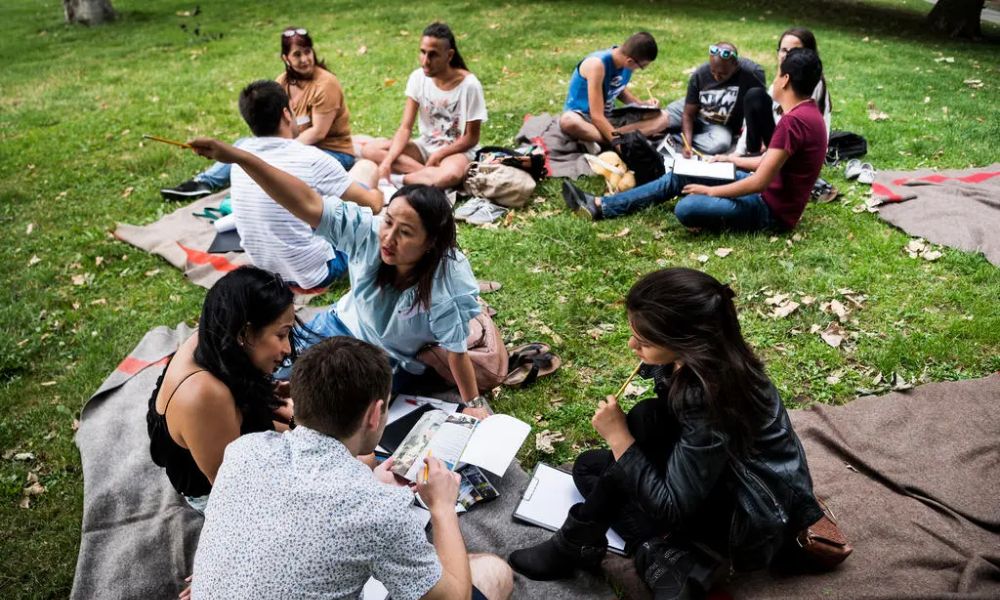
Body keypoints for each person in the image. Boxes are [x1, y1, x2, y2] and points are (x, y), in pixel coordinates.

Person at [508, 268, 827, 599]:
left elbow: (672, 507)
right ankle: (651, 552)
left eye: (644, 341)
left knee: (633, 435)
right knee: (594, 464)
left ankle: (593, 546)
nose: (632, 344)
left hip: (748, 519)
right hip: (721, 475)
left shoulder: (710, 394)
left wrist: (619, 437)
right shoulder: (705, 354)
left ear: (685, 341)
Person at [191, 336, 514, 599]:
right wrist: (441, 507)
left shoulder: (244, 451)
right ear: (375, 414)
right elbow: (453, 598)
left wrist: (369, 482)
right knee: (492, 572)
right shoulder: (379, 512)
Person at [185, 136, 493, 410]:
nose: (388, 238)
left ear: (430, 243)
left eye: (406, 233)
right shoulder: (367, 232)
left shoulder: (445, 283)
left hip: (385, 361)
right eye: (388, 222)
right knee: (257, 375)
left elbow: (456, 352)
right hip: (338, 325)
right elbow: (306, 202)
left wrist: (473, 403)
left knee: (330, 414)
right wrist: (241, 157)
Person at [563, 48, 828, 232]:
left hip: (771, 211)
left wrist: (710, 191)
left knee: (688, 207)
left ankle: (604, 205)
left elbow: (760, 181)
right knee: (682, 174)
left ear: (785, 79)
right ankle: (601, 206)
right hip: (765, 193)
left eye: (779, 74)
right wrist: (729, 159)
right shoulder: (809, 113)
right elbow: (774, 161)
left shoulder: (793, 122)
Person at [146, 266, 297, 513]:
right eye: (281, 335)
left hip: (223, 440)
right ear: (245, 333)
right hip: (217, 491)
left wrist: (290, 416)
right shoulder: (206, 395)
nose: (288, 348)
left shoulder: (214, 338)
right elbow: (234, 492)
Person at [161, 27, 358, 200]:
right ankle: (204, 183)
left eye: (308, 52)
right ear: (285, 58)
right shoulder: (282, 82)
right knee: (243, 146)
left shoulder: (326, 84)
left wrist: (277, 151)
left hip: (332, 153)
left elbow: (318, 133)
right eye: (297, 54)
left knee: (258, 157)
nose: (305, 59)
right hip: (294, 145)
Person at [227, 79, 383, 290]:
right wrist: (378, 193)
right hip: (316, 272)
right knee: (367, 168)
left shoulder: (242, 160)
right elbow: (371, 206)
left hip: (265, 270)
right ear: (286, 114)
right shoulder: (311, 159)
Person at [361, 22, 488, 189]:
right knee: (370, 149)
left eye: (433, 55)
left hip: (455, 152)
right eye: (423, 52)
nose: (425, 61)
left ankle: (402, 180)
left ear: (449, 55)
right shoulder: (417, 78)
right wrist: (387, 162)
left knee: (450, 175)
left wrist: (440, 154)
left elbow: (472, 138)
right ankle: (426, 175)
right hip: (425, 146)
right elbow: (405, 128)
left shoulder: (469, 85)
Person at [559, 32, 669, 147]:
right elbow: (596, 116)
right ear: (630, 61)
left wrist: (642, 104)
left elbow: (619, 89)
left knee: (663, 117)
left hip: (609, 116)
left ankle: (598, 139)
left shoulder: (624, 62)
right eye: (642, 66)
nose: (639, 69)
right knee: (568, 121)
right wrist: (618, 145)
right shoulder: (597, 65)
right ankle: (620, 139)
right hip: (585, 117)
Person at [739, 27, 832, 154]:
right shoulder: (782, 78)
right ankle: (750, 153)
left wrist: (768, 154)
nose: (786, 55)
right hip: (778, 140)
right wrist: (738, 152)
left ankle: (757, 160)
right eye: (783, 50)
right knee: (755, 96)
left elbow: (793, 127)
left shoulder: (812, 83)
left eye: (794, 51)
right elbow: (766, 117)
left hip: (794, 148)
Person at [664, 42, 765, 157]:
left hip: (720, 124)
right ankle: (680, 134)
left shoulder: (752, 73)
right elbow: (688, 114)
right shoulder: (700, 73)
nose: (716, 77)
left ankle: (675, 136)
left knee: (719, 144)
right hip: (696, 108)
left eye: (723, 74)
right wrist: (687, 143)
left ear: (735, 65)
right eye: (713, 72)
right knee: (662, 117)